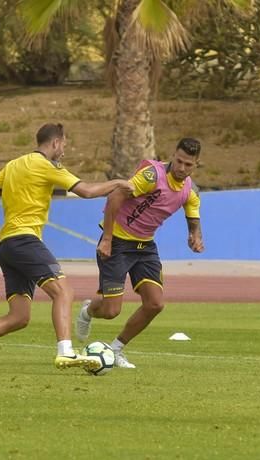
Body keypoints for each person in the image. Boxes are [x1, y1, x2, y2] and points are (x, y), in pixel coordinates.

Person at [0, 123, 133, 374]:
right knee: (64, 292)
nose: (64, 150)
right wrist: (118, 183)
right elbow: (87, 191)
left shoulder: (13, 164)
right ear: (56, 143)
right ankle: (66, 352)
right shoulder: (46, 166)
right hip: (25, 241)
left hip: (7, 246)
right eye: (64, 145)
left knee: (19, 316)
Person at [75, 138, 204, 369]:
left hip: (145, 247)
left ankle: (115, 350)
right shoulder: (151, 176)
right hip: (118, 243)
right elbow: (115, 196)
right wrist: (107, 238)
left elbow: (193, 214)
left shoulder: (190, 190)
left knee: (155, 304)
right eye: (179, 161)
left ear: (196, 165)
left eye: (188, 165)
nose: (182, 168)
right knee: (111, 310)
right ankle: (88, 311)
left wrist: (195, 235)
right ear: (173, 155)